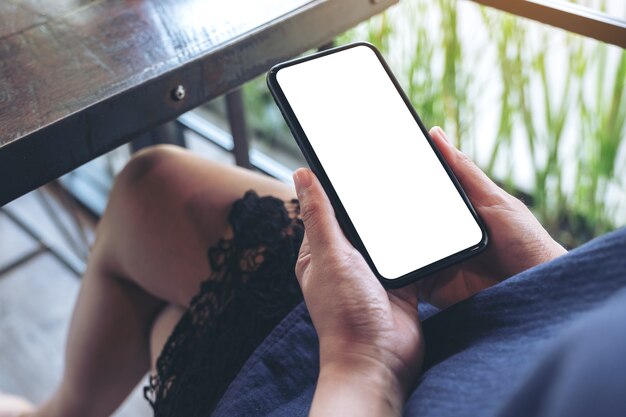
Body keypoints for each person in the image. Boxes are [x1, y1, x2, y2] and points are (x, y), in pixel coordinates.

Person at [2, 127, 625, 417]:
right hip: (496, 331)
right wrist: (549, 279)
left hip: (358, 385)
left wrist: (366, 366)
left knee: (168, 315)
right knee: (151, 190)